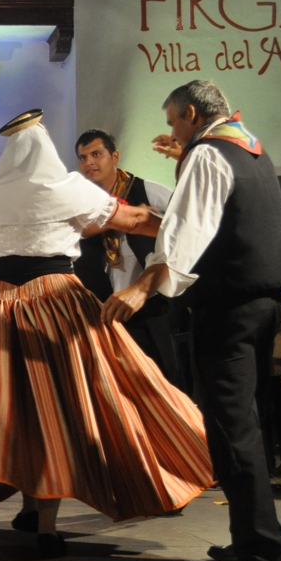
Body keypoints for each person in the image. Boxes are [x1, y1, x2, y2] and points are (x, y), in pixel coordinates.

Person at [0, 110, 214, 558]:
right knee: (68, 403)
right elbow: (134, 220)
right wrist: (181, 234)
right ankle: (46, 524)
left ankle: (16, 498)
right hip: (57, 301)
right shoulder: (69, 189)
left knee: (11, 408)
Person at [104, 81, 281, 561]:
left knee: (232, 431)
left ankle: (267, 558)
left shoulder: (209, 156)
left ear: (191, 113)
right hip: (261, 305)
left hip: (228, 308)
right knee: (243, 426)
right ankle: (249, 538)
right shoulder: (246, 147)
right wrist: (186, 155)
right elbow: (215, 222)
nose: (170, 133)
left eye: (172, 123)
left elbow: (188, 234)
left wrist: (143, 286)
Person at [73, 129, 182, 387]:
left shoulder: (150, 192)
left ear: (115, 156)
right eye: (82, 157)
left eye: (96, 154)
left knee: (161, 384)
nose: (89, 163)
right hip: (103, 312)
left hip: (151, 307)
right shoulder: (80, 205)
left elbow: (185, 235)